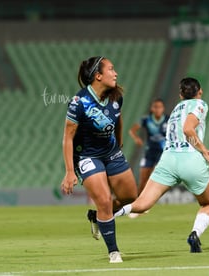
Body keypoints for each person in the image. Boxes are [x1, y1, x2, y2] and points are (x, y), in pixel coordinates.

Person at [114, 77, 209, 253]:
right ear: (200, 92)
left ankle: (107, 217)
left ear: (180, 95)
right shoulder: (200, 104)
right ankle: (194, 234)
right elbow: (188, 129)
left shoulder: (176, 109)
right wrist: (205, 151)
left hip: (168, 160)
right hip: (190, 159)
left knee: (142, 204)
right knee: (208, 204)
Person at [61, 56, 137, 263]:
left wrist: (119, 142)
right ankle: (114, 252)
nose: (116, 73)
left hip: (111, 152)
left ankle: (98, 217)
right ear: (98, 75)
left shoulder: (116, 97)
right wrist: (69, 171)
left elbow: (118, 118)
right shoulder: (79, 102)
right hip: (87, 156)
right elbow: (67, 137)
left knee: (130, 197)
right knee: (104, 200)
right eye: (111, 69)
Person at [128, 99, 168, 218]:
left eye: (160, 107)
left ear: (163, 108)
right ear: (152, 108)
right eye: (155, 107)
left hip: (162, 153)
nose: (158, 109)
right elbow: (132, 130)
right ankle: (138, 204)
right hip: (149, 152)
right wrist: (136, 138)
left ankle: (147, 203)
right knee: (143, 178)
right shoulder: (146, 120)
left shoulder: (168, 119)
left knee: (156, 179)